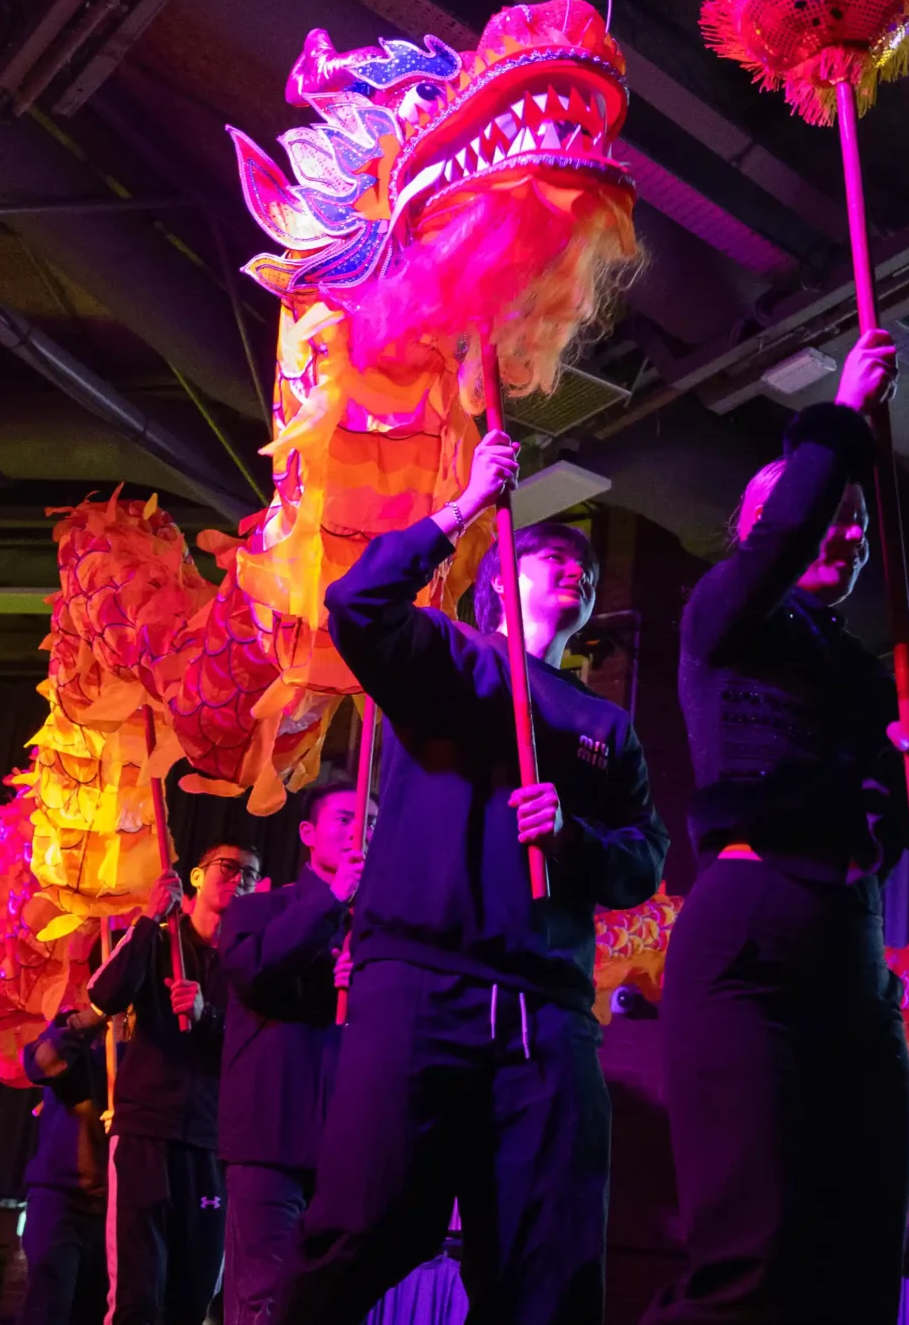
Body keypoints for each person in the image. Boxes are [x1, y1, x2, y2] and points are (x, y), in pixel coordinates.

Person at [285, 428, 670, 1325]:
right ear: (499, 579)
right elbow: (356, 603)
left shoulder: (604, 726)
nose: (574, 569)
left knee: (551, 1262)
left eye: (585, 567)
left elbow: (642, 858)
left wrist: (572, 837)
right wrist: (461, 508)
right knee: (363, 1226)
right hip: (422, 980)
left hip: (546, 1008)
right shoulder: (444, 655)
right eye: (550, 557)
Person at [644, 327, 909, 1325]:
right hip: (751, 937)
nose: (847, 533)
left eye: (859, 524)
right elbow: (785, 535)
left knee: (863, 1262)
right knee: (752, 1258)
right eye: (829, 512)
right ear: (760, 528)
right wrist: (839, 419)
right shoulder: (723, 618)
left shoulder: (868, 677)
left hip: (854, 953)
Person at [92, 841, 262, 1325]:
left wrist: (208, 1016)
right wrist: (149, 918)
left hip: (211, 1140)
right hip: (146, 1130)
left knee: (194, 1293)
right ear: (197, 877)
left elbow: (254, 1047)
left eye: (249, 875)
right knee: (137, 1294)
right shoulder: (159, 939)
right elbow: (105, 994)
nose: (238, 879)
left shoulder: (250, 962)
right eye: (227, 867)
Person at [219, 780, 367, 1325]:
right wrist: (331, 903)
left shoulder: (381, 929)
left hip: (348, 1145)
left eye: (371, 822)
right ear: (308, 833)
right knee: (265, 1299)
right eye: (345, 819)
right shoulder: (259, 911)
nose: (360, 831)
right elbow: (256, 972)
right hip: (272, 1135)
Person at [19, 960, 116, 1325]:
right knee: (48, 1309)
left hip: (116, 1208)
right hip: (61, 1199)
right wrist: (93, 1017)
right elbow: (40, 1065)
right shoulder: (74, 1025)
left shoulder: (147, 1038)